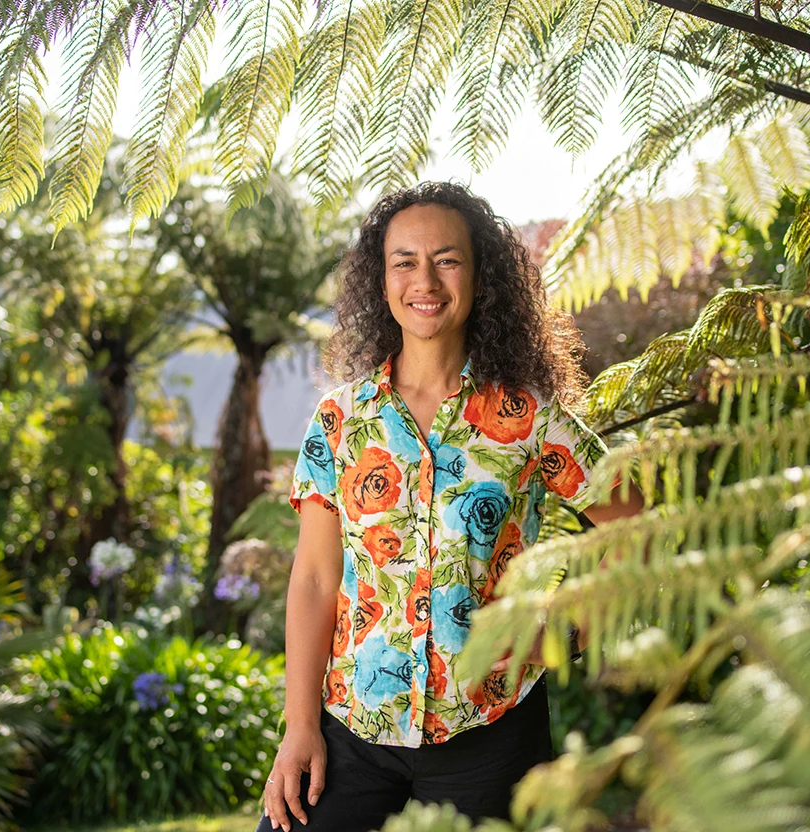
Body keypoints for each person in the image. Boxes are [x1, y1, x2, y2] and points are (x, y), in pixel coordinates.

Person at [257, 182, 642, 832]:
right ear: (381, 281)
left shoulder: (526, 419)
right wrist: (299, 730)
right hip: (354, 730)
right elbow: (316, 580)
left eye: (447, 258)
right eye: (404, 260)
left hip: (492, 735)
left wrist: (563, 631)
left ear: (479, 275)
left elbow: (632, 522)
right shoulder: (340, 421)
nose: (425, 279)